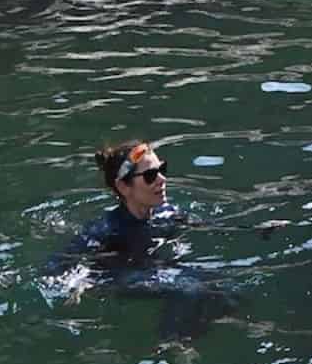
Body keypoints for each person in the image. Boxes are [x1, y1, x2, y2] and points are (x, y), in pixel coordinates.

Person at [48, 141, 236, 343]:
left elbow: (212, 226)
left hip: (154, 270)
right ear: (123, 186)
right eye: (150, 176)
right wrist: (78, 283)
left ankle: (211, 329)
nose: (162, 179)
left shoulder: (167, 213)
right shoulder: (105, 228)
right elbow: (58, 264)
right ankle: (171, 347)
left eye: (161, 169)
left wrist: (261, 228)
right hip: (119, 278)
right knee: (187, 288)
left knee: (228, 286)